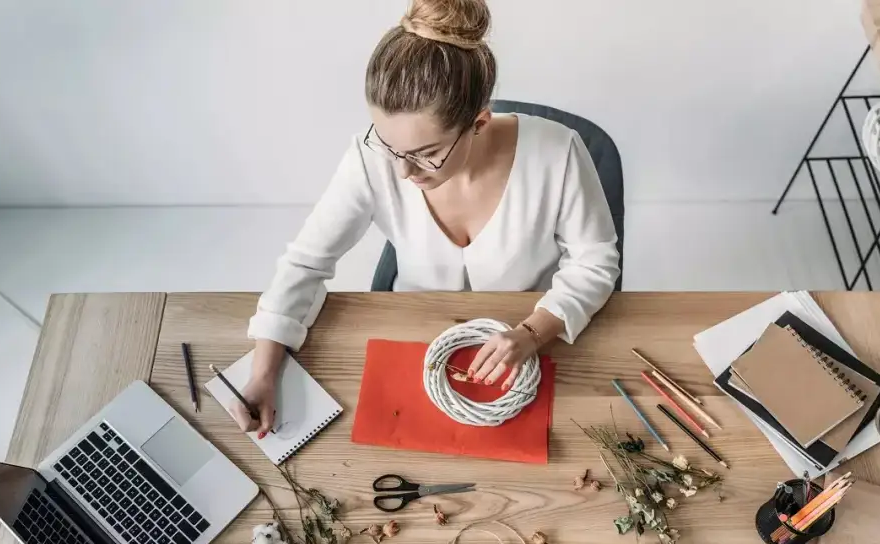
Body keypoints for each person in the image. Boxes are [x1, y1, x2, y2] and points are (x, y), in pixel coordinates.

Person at [233, 0, 620, 436]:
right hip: (413, 337)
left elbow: (595, 263)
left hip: (531, 338)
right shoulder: (369, 159)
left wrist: (532, 332)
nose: (403, 171)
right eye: (388, 144)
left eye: (427, 154)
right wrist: (264, 372)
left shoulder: (559, 152)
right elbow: (305, 264)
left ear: (478, 123)